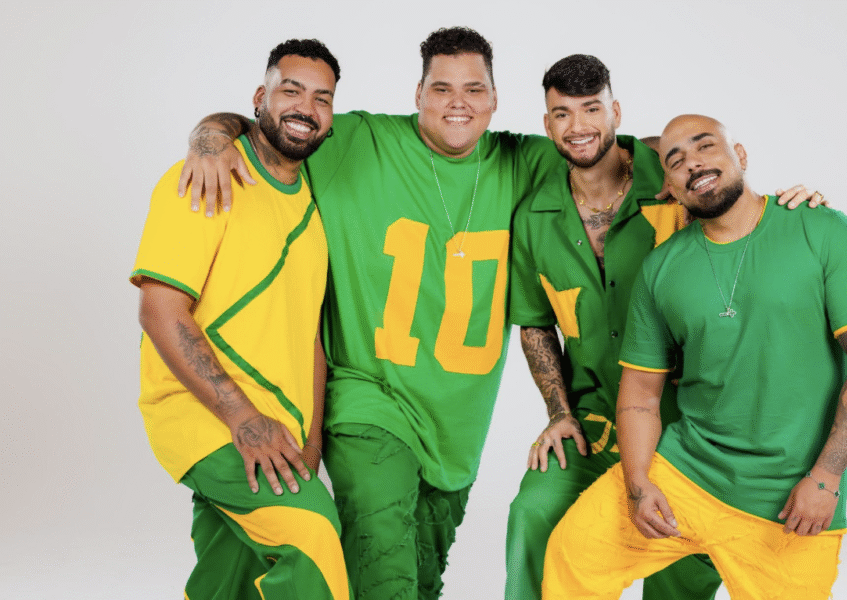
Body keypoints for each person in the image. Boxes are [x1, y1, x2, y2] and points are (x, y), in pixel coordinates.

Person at [177, 27, 566, 600]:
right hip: (367, 398)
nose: (457, 102)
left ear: (495, 99)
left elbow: (615, 153)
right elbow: (277, 125)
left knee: (420, 579)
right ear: (418, 94)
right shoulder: (359, 140)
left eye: (473, 88)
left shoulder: (524, 160)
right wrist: (210, 136)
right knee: (383, 569)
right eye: (441, 88)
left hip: (458, 427)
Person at [541, 114, 847, 600]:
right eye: (675, 160)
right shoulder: (662, 267)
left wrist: (826, 478)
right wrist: (639, 483)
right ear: (669, 187)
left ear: (741, 156)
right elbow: (640, 394)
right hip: (686, 473)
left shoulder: (821, 229)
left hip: (787, 499)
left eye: (705, 146)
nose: (693, 163)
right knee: (574, 553)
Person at [507, 56, 825, 600]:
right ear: (547, 124)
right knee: (533, 514)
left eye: (592, 109)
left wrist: (797, 211)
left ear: (616, 112)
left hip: (691, 430)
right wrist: (559, 413)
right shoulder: (535, 216)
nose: (579, 126)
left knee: (681, 561)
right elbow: (536, 324)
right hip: (595, 422)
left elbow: (738, 216)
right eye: (562, 114)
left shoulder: (672, 176)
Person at [131, 40, 350, 600]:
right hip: (206, 417)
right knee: (313, 534)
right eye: (291, 91)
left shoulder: (312, 203)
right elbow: (160, 310)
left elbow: (309, 336)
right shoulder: (206, 177)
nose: (306, 108)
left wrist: (309, 441)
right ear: (260, 97)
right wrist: (244, 417)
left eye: (322, 98)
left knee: (227, 580)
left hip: (277, 430)